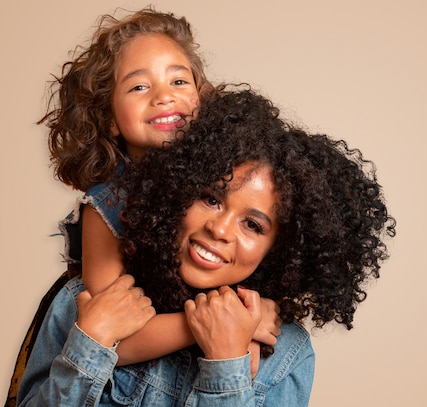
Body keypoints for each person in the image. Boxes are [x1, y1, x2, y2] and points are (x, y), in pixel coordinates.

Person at [17, 86, 396, 406]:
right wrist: (91, 344)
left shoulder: (286, 354)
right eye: (211, 199)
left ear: (279, 251)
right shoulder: (85, 303)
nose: (220, 229)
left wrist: (226, 362)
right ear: (177, 193)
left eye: (253, 224)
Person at [36, 6, 281, 368]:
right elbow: (109, 340)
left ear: (201, 95)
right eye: (139, 86)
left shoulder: (217, 183)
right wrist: (211, 324)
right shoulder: (106, 203)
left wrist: (252, 312)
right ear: (111, 118)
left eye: (179, 81)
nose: (164, 96)